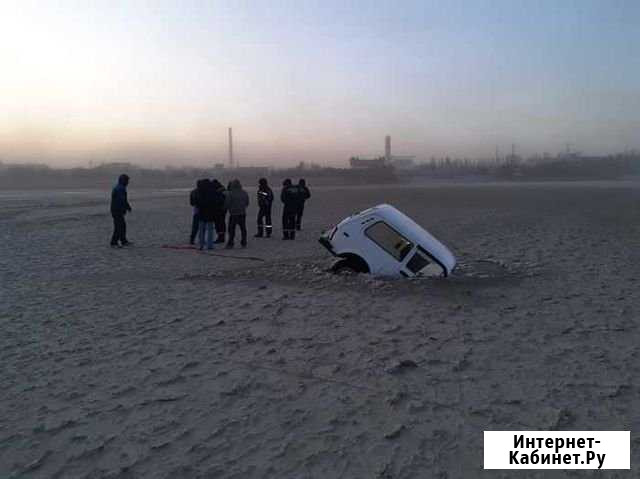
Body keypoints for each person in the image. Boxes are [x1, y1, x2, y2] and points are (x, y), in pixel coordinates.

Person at [224, 179, 249, 248]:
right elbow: (247, 202)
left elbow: (227, 203)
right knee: (243, 228)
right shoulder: (244, 193)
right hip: (242, 213)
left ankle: (230, 243)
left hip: (233, 213)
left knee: (231, 229)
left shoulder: (231, 193)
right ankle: (244, 242)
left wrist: (225, 208)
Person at [194, 179, 217, 250]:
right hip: (210, 213)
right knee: (210, 230)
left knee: (201, 229)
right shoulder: (212, 192)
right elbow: (214, 202)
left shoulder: (199, 192)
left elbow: (197, 202)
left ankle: (201, 244)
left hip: (202, 212)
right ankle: (210, 245)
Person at [110, 174, 132, 247]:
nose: (128, 182)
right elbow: (122, 200)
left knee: (121, 226)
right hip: (117, 210)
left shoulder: (120, 187)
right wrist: (126, 207)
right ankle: (114, 242)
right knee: (119, 226)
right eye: (127, 181)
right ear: (123, 181)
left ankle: (123, 241)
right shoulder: (120, 188)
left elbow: (123, 200)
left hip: (116, 210)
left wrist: (127, 207)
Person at [211, 179, 227, 243]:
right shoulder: (224, 191)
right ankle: (222, 236)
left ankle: (220, 237)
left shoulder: (216, 192)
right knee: (222, 223)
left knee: (218, 224)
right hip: (223, 210)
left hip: (218, 210)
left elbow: (216, 201)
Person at [189, 180, 199, 245]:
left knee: (195, 226)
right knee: (204, 226)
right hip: (204, 210)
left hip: (196, 210)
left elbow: (191, 203)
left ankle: (192, 239)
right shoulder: (205, 191)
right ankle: (202, 239)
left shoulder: (193, 192)